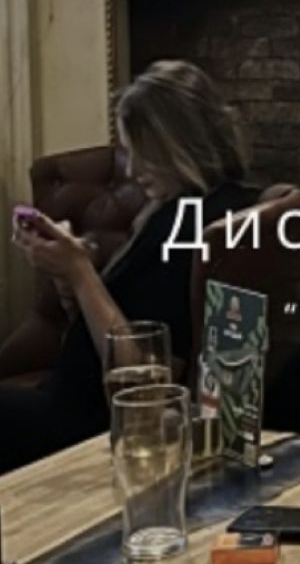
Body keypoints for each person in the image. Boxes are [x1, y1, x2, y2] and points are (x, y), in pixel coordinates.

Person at [0, 60, 256, 473]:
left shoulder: (184, 228)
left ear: (179, 145)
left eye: (143, 155)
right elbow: (112, 322)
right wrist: (70, 273)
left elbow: (147, 385)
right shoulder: (218, 203)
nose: (133, 172)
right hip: (73, 400)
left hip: (82, 421)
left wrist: (80, 272)